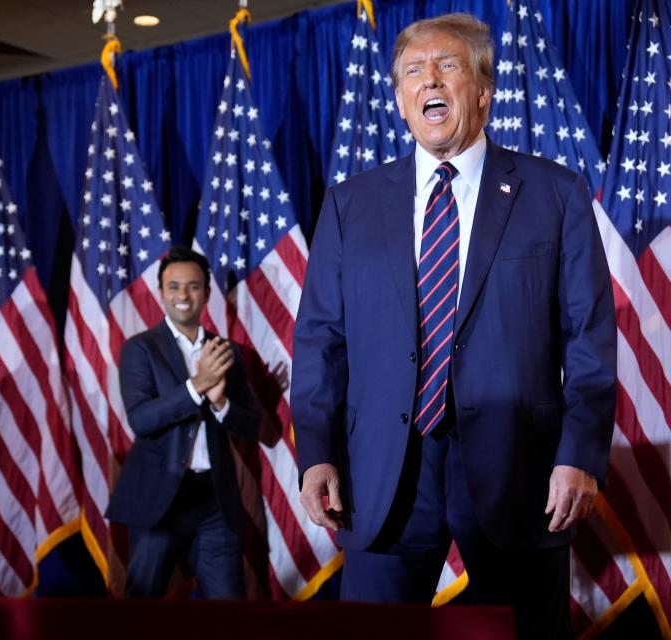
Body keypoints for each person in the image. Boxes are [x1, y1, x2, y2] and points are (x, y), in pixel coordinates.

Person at [292, 13, 615, 639]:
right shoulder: (349, 204)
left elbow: (589, 340)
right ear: (400, 99)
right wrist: (316, 450)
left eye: (447, 67)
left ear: (484, 91)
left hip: (521, 472)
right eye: (413, 71)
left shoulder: (555, 194)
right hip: (383, 473)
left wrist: (579, 454)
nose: (429, 81)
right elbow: (321, 339)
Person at [106, 246, 260, 598]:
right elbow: (142, 420)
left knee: (226, 614)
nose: (183, 296)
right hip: (158, 500)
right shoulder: (140, 348)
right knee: (141, 611)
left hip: (214, 502)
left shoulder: (228, 352)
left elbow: (251, 427)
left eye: (192, 286)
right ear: (161, 293)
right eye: (173, 287)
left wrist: (220, 402)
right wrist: (197, 386)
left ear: (206, 292)